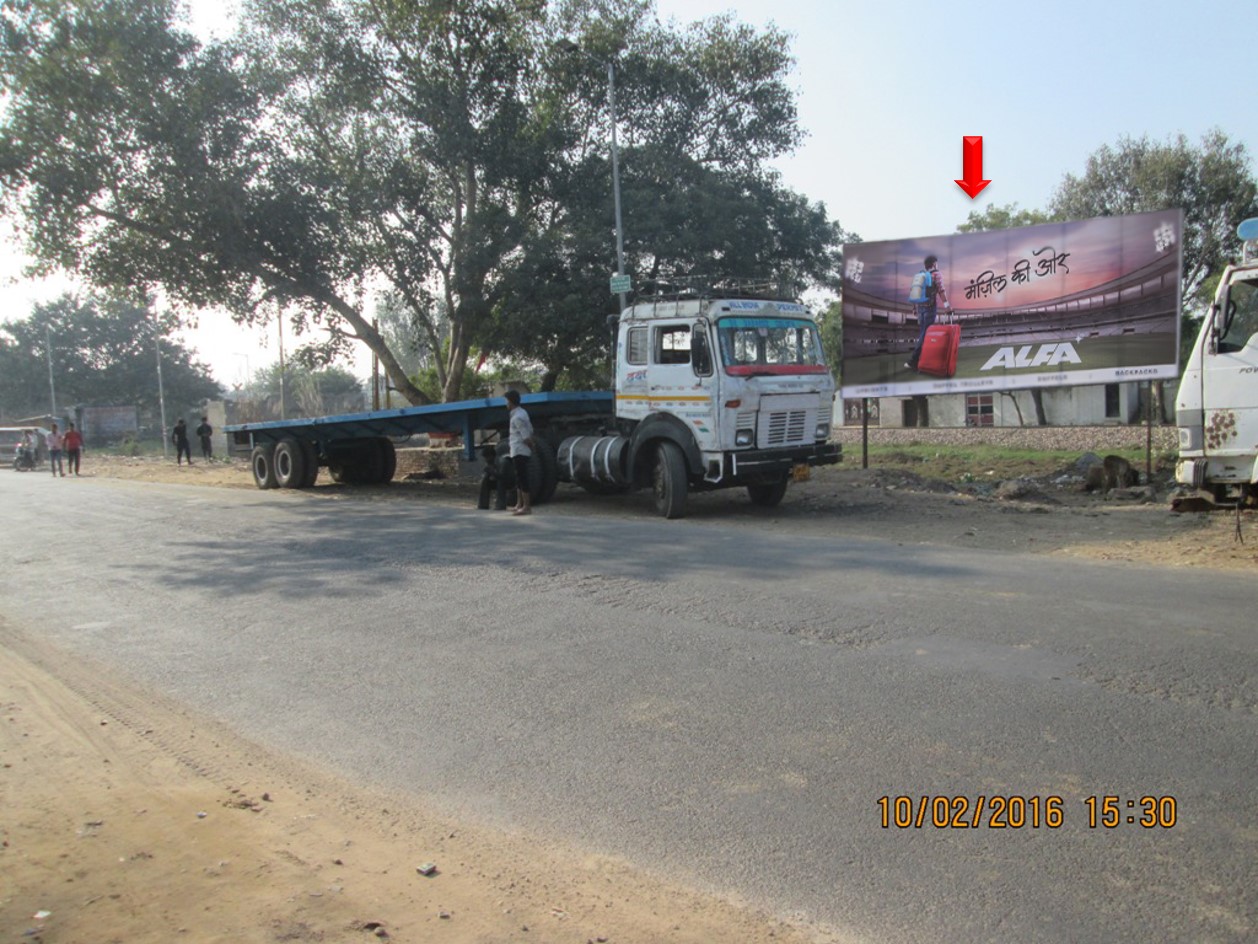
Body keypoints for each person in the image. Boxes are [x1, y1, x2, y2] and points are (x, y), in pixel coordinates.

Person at [905, 253, 952, 372]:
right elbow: (941, 290)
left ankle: (921, 362)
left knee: (923, 334)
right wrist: (947, 306)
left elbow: (914, 291)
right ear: (934, 264)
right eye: (937, 263)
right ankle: (913, 361)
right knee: (924, 335)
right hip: (930, 308)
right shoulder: (937, 274)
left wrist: (914, 308)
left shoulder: (920, 275)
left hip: (920, 308)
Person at [504, 389, 534, 516]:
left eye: (507, 401)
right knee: (518, 478)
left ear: (511, 402)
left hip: (520, 450)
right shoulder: (521, 412)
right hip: (517, 450)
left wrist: (532, 446)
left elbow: (525, 436)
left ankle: (526, 506)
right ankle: (519, 503)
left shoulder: (517, 417)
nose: (506, 404)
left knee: (522, 478)